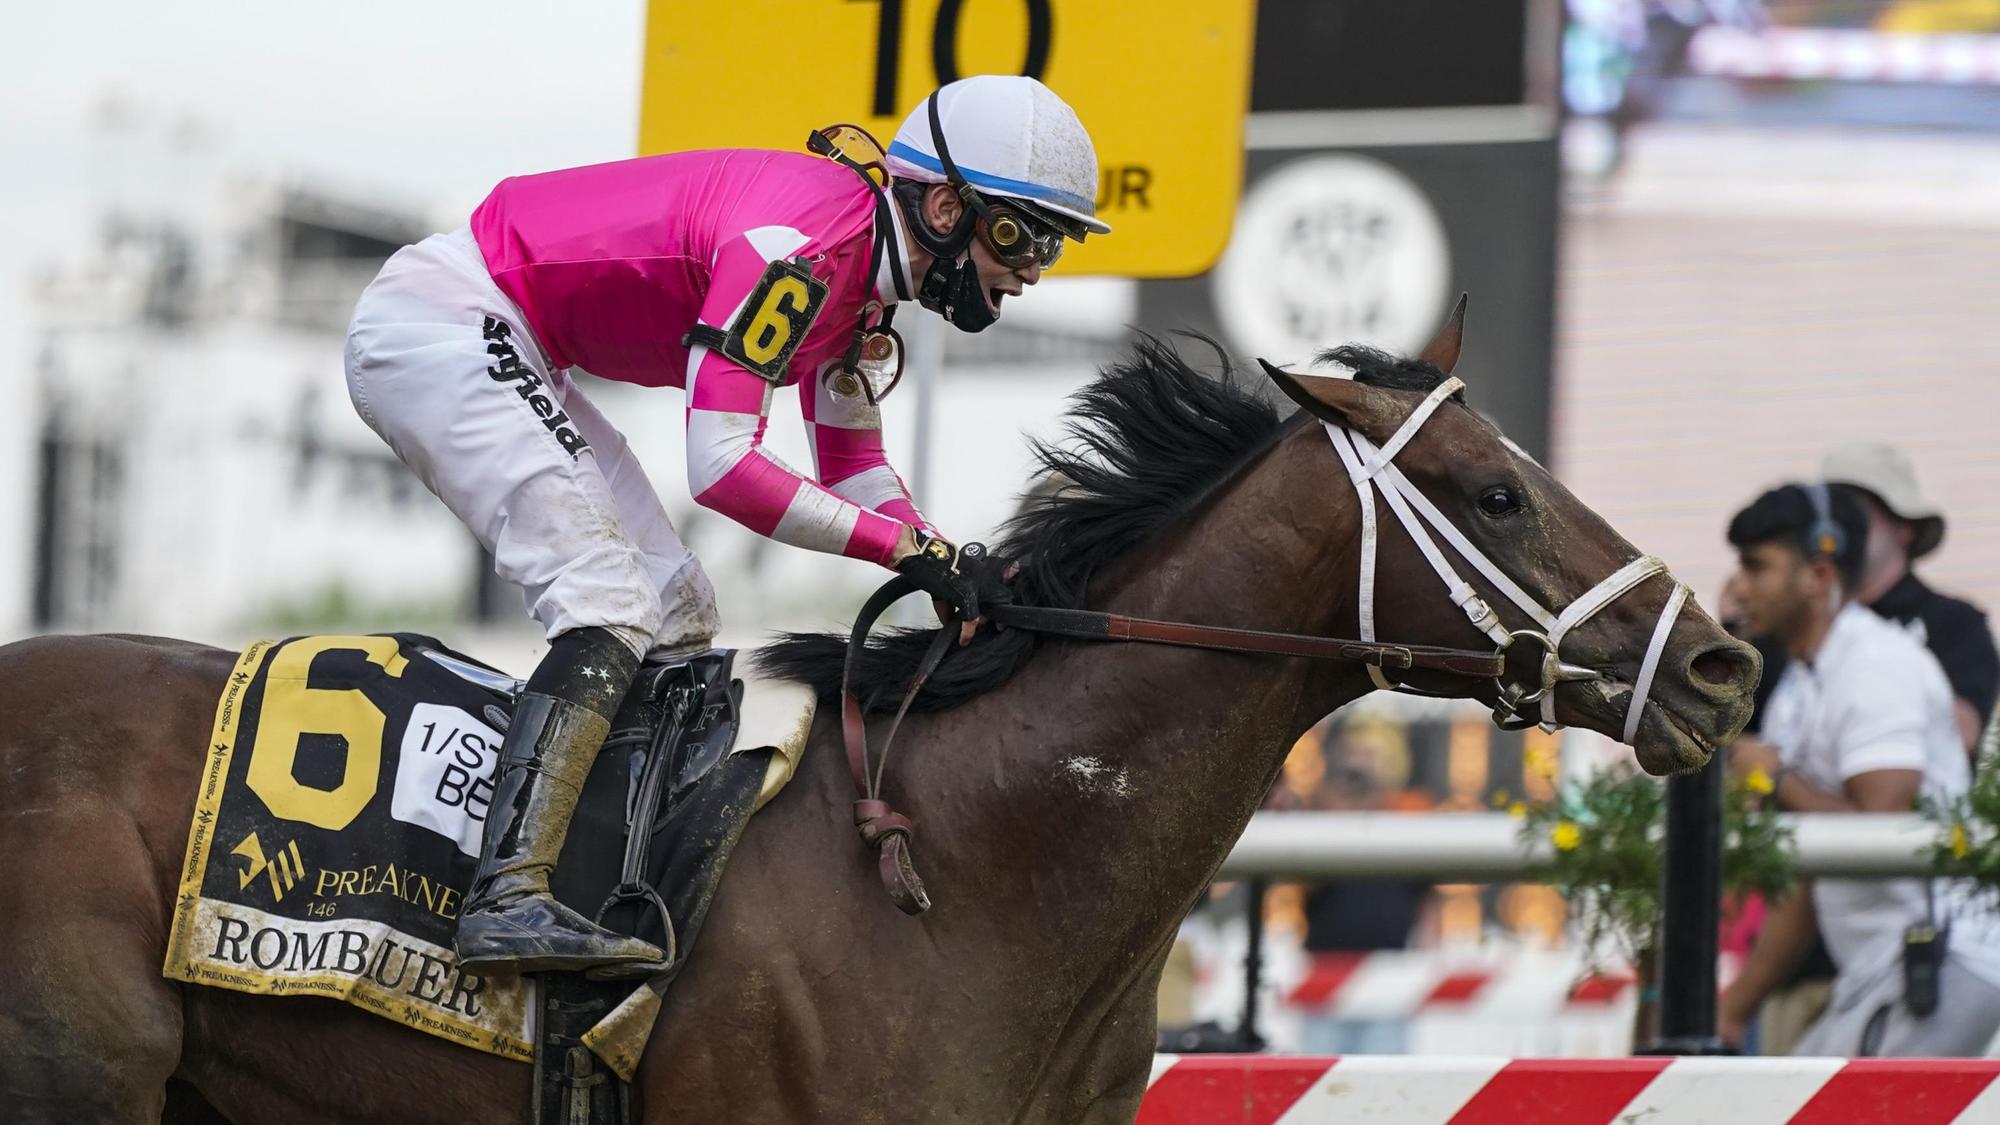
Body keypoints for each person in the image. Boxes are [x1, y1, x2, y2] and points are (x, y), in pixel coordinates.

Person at [343, 75, 1110, 973]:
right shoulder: (803, 252)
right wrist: (906, 550)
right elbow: (722, 469)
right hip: (447, 321)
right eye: (1022, 236)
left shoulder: (863, 286)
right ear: (943, 207)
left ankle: (603, 872)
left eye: (1050, 246)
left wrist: (941, 558)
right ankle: (506, 892)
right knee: (605, 597)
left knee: (675, 607)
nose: (1030, 271)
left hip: (510, 336)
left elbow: (857, 470)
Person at [1718, 483, 2000, 1056]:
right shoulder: (1803, 682)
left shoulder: (1875, 665)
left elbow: (1879, 827)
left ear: (1819, 577)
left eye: (1757, 566)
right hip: (1885, 969)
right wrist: (1734, 1008)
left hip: (1941, 960)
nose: (1740, 586)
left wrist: (1775, 779)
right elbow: (1809, 876)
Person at [1823, 441, 1997, 756]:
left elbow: (1960, 735)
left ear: (1905, 527)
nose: (1841, 526)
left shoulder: (1956, 623)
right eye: (1830, 510)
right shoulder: (1803, 623)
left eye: (1855, 508)